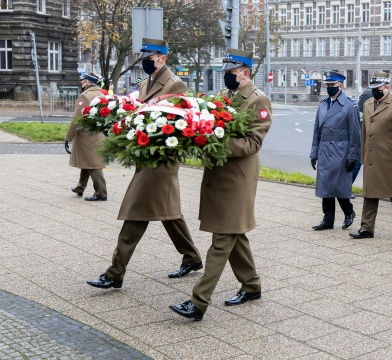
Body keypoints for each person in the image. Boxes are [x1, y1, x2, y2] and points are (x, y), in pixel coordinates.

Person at [87, 38, 202, 289]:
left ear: (162, 59)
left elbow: (171, 124)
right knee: (169, 213)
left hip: (161, 160)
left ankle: (115, 272)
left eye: (149, 59)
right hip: (146, 156)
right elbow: (138, 110)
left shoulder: (175, 84)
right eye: (143, 59)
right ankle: (192, 257)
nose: (145, 63)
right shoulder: (145, 82)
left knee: (135, 213)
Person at [169, 49, 272, 321]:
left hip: (237, 180)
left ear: (245, 73)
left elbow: (252, 143)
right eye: (225, 72)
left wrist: (214, 140)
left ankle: (198, 301)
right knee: (234, 233)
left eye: (230, 73)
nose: (225, 77)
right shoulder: (224, 98)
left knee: (221, 240)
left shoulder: (258, 101)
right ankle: (251, 286)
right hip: (219, 175)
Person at [349, 72, 392, 240]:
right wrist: (363, 155)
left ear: (387, 88)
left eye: (379, 89)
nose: (376, 92)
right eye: (374, 89)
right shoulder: (369, 104)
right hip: (372, 157)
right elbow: (365, 132)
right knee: (370, 193)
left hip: (390, 159)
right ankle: (366, 228)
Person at [310, 71, 361, 231]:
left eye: (332, 85)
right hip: (325, 150)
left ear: (340, 85)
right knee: (326, 186)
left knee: (339, 186)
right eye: (328, 85)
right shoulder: (323, 104)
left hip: (341, 151)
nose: (329, 88)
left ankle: (349, 212)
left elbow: (355, 134)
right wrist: (314, 152)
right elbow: (317, 131)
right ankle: (328, 219)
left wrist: (353, 156)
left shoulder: (350, 105)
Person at [65, 72, 108, 202]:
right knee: (88, 161)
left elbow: (77, 119)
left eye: (82, 81)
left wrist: (68, 138)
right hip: (98, 133)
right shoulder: (102, 94)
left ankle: (101, 193)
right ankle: (80, 187)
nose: (81, 84)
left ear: (88, 82)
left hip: (86, 135)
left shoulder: (85, 96)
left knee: (93, 164)